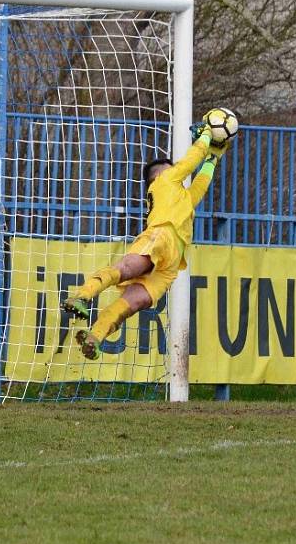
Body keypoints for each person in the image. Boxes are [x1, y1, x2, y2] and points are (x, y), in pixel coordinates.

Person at [62, 112, 234, 360]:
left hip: (172, 261)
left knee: (134, 303)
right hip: (160, 235)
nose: (176, 170)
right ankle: (82, 295)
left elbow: (200, 185)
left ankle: (95, 337)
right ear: (158, 175)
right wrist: (207, 133)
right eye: (170, 168)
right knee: (129, 267)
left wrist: (213, 158)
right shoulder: (163, 182)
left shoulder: (181, 197)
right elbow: (189, 162)